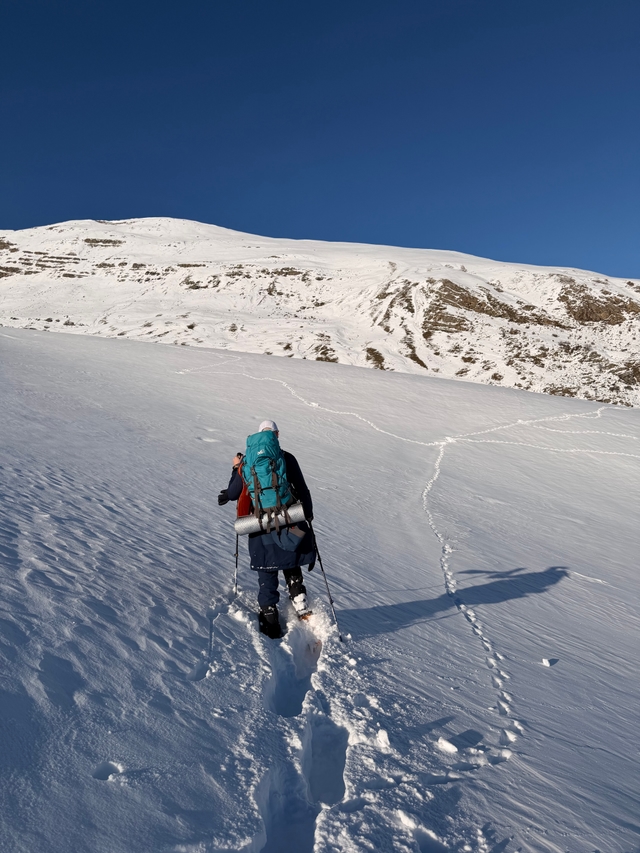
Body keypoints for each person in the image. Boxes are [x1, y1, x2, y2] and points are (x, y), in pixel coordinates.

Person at [218, 420, 316, 639]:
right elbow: (301, 488)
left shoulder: (248, 462)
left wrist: (236, 468)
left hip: (260, 526)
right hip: (288, 520)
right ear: (276, 434)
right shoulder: (286, 458)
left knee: (267, 569)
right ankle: (300, 602)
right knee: (291, 560)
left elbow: (234, 493)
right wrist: (307, 515)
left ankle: (270, 617)